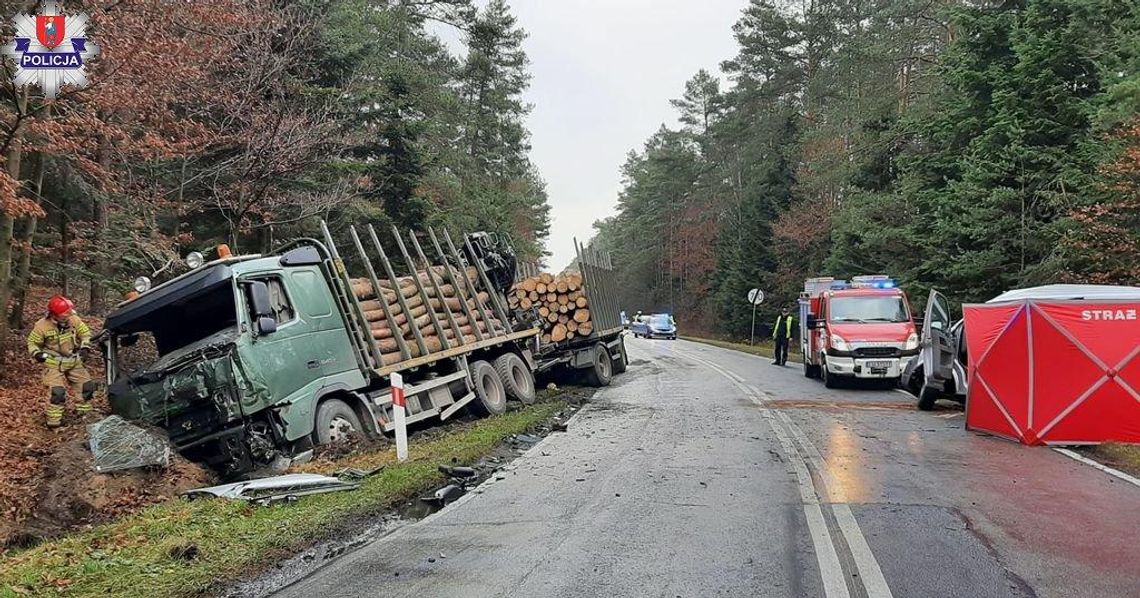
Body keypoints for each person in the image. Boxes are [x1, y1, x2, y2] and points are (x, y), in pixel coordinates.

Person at [27, 295, 96, 428]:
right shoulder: (42, 326)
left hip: (73, 360)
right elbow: (32, 342)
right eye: (65, 314)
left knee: (86, 387)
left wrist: (85, 347)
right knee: (57, 393)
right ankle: (54, 423)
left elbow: (85, 333)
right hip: (53, 363)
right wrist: (37, 353)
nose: (68, 315)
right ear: (55, 314)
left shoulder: (74, 320)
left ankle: (84, 416)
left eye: (69, 312)